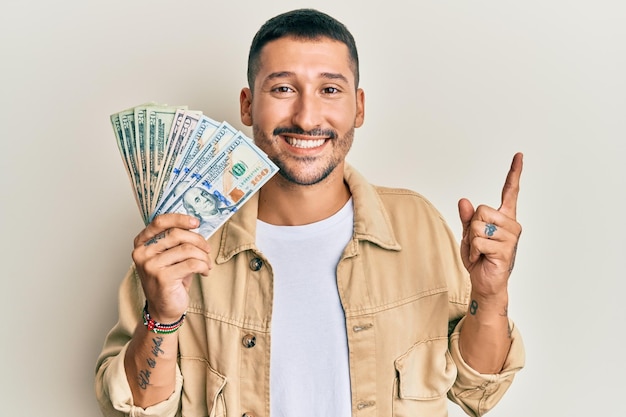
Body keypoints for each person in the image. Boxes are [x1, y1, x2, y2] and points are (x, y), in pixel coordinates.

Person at [95, 8, 525, 417]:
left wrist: (490, 298)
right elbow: (133, 409)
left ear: (358, 106)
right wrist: (163, 319)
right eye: (283, 88)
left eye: (330, 90)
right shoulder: (183, 237)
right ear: (247, 105)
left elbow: (477, 389)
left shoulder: (418, 226)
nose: (306, 117)